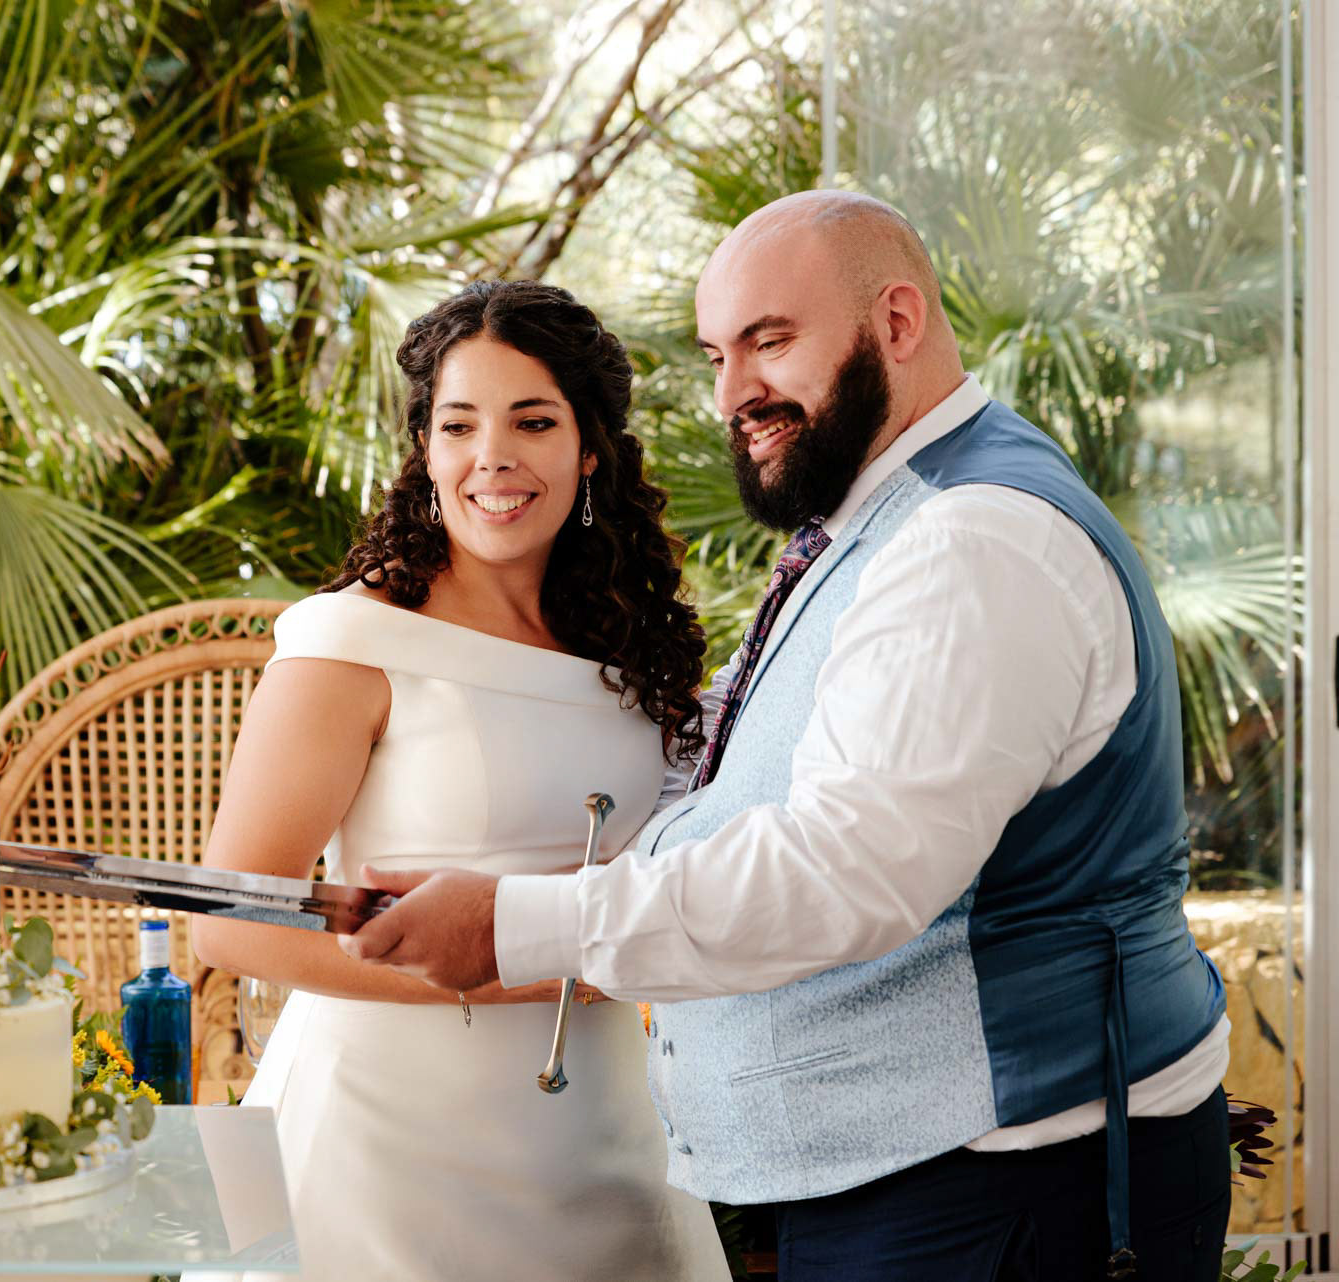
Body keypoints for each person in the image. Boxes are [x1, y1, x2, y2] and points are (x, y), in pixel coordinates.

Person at [342, 191, 1232, 1282]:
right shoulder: (881, 516)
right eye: (719, 353)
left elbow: (848, 872)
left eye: (771, 342)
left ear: (897, 324)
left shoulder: (968, 540)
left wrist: (516, 925)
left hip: (1003, 1186)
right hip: (924, 1181)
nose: (734, 394)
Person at [188, 280, 729, 1282]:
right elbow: (229, 920)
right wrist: (526, 963)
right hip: (386, 1165)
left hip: (604, 1145)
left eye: (533, 420)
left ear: (590, 445)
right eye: (460, 424)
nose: (495, 457)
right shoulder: (351, 641)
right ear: (426, 451)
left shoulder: (632, 645)